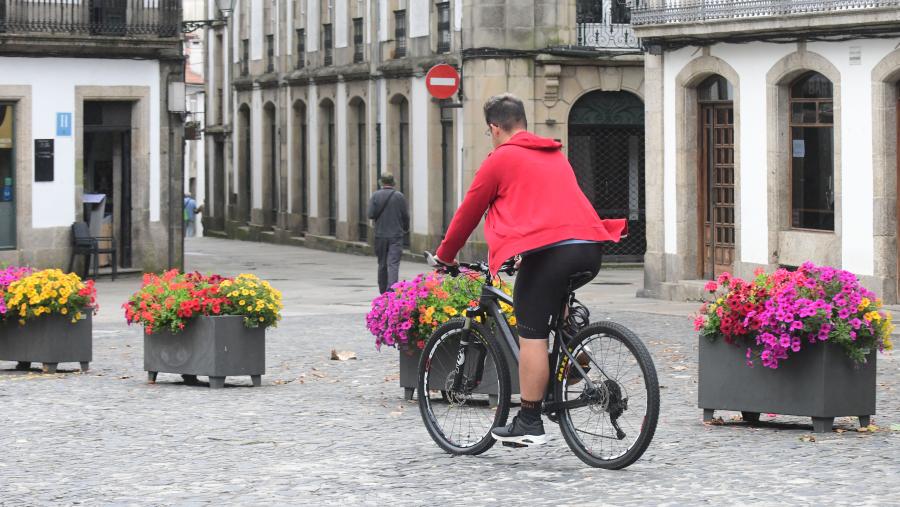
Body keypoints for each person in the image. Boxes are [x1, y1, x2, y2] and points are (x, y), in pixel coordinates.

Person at [434, 93, 626, 446]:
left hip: (555, 255)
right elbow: (548, 208)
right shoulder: (553, 154)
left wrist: (445, 257)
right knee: (552, 302)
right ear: (522, 121)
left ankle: (529, 419)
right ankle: (574, 352)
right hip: (589, 247)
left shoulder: (500, 159)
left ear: (494, 127)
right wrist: (527, 250)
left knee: (532, 332)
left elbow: (469, 213)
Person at [367, 173, 410, 293]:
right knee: (393, 264)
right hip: (396, 235)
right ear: (393, 182)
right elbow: (405, 216)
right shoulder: (399, 196)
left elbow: (370, 214)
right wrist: (405, 229)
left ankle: (382, 291)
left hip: (380, 235)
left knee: (382, 264)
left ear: (381, 182)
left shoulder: (375, 196)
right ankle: (392, 290)